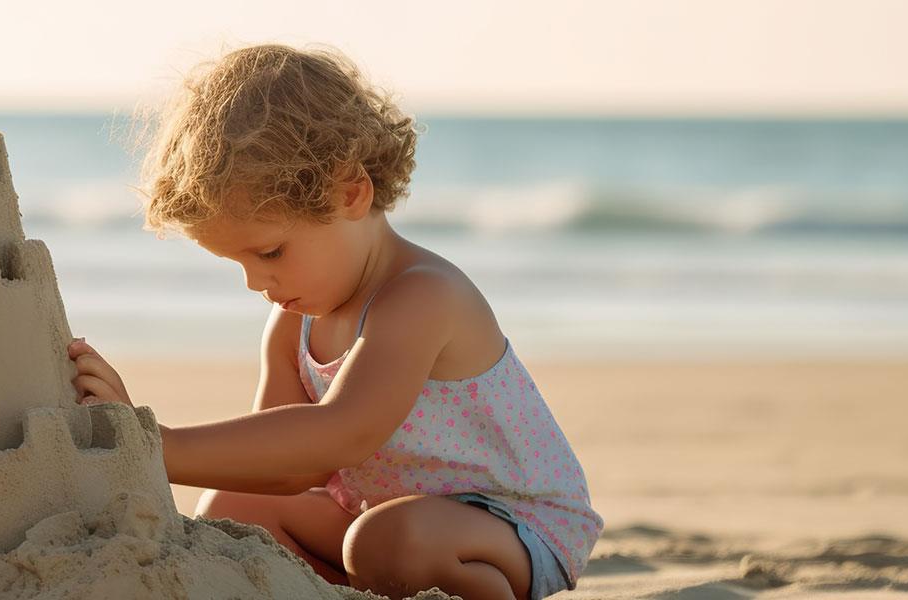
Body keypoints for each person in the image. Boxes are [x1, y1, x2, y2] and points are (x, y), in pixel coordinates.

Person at [67, 45, 600, 599]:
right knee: (233, 511)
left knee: (385, 541)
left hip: (510, 527)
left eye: (270, 253)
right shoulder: (292, 324)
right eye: (239, 263)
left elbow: (340, 435)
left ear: (350, 192)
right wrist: (134, 446)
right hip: (379, 519)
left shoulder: (422, 296)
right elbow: (283, 466)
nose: (255, 282)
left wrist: (159, 443)